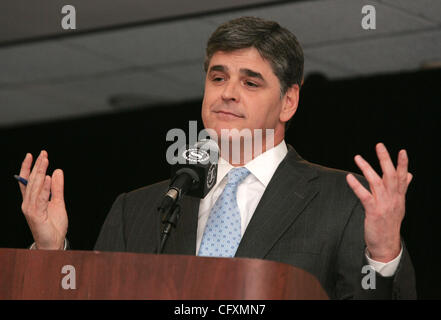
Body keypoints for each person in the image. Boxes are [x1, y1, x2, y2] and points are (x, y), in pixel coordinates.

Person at [17, 16, 416, 299]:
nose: (227, 92)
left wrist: (382, 257)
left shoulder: (343, 200)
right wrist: (51, 255)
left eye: (250, 81)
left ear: (289, 101)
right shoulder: (137, 209)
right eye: (218, 77)